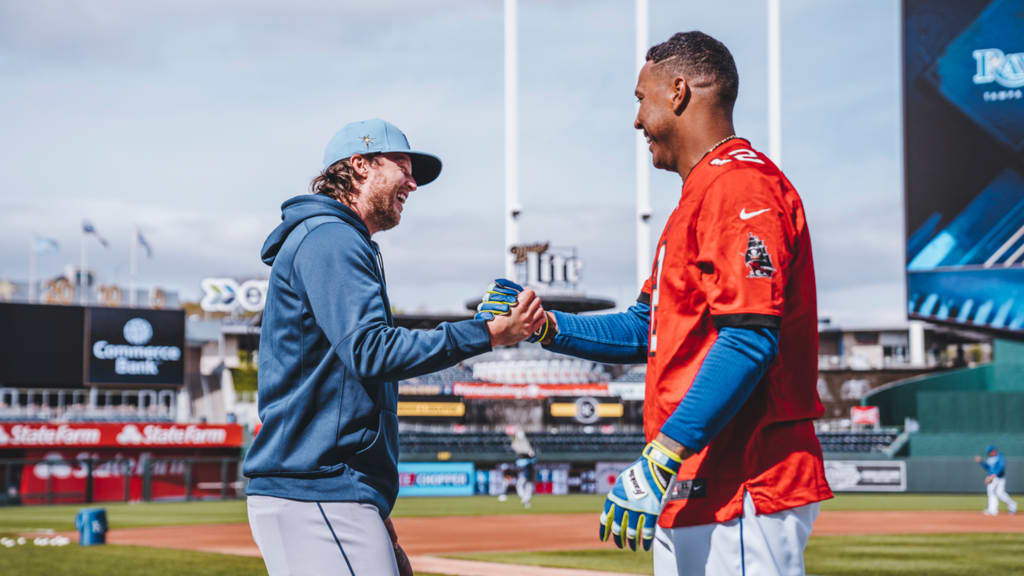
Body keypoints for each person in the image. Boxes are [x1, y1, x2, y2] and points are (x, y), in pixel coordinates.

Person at [482, 32, 832, 575]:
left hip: (744, 480)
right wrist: (543, 325)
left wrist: (663, 453)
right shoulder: (699, 194)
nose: (637, 120)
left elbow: (748, 336)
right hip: (698, 481)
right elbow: (644, 327)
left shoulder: (741, 186)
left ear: (678, 91)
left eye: (640, 99)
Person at [243, 118, 545, 576]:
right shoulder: (331, 237)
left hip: (329, 488)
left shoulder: (334, 237)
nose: (413, 181)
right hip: (319, 488)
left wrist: (373, 503)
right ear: (359, 165)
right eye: (401, 165)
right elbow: (372, 351)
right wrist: (486, 333)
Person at [976, 445, 1017, 516]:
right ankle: (993, 510)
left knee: (1000, 493)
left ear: (993, 451)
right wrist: (981, 462)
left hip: (999, 478)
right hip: (992, 478)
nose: (990, 453)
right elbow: (988, 467)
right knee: (991, 492)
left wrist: (993, 475)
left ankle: (1012, 505)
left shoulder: (999, 456)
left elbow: (1001, 466)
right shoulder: (990, 458)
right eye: (989, 452)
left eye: (991, 451)